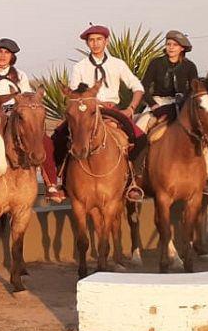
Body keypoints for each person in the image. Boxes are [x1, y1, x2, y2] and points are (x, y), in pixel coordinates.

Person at [42, 25, 145, 202]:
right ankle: (62, 182)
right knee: (58, 137)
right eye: (91, 40)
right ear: (87, 43)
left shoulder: (118, 64)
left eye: (99, 39)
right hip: (86, 110)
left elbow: (138, 87)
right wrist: (94, 102)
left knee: (141, 138)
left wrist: (131, 109)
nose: (95, 43)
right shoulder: (80, 67)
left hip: (112, 111)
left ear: (106, 41)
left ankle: (133, 182)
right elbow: (75, 94)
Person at [138, 30, 199, 128]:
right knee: (140, 126)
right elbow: (144, 86)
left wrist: (185, 102)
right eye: (168, 44)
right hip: (158, 103)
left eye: (175, 45)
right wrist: (153, 104)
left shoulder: (190, 66)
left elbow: (194, 89)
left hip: (181, 105)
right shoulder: (156, 63)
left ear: (182, 48)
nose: (171, 47)